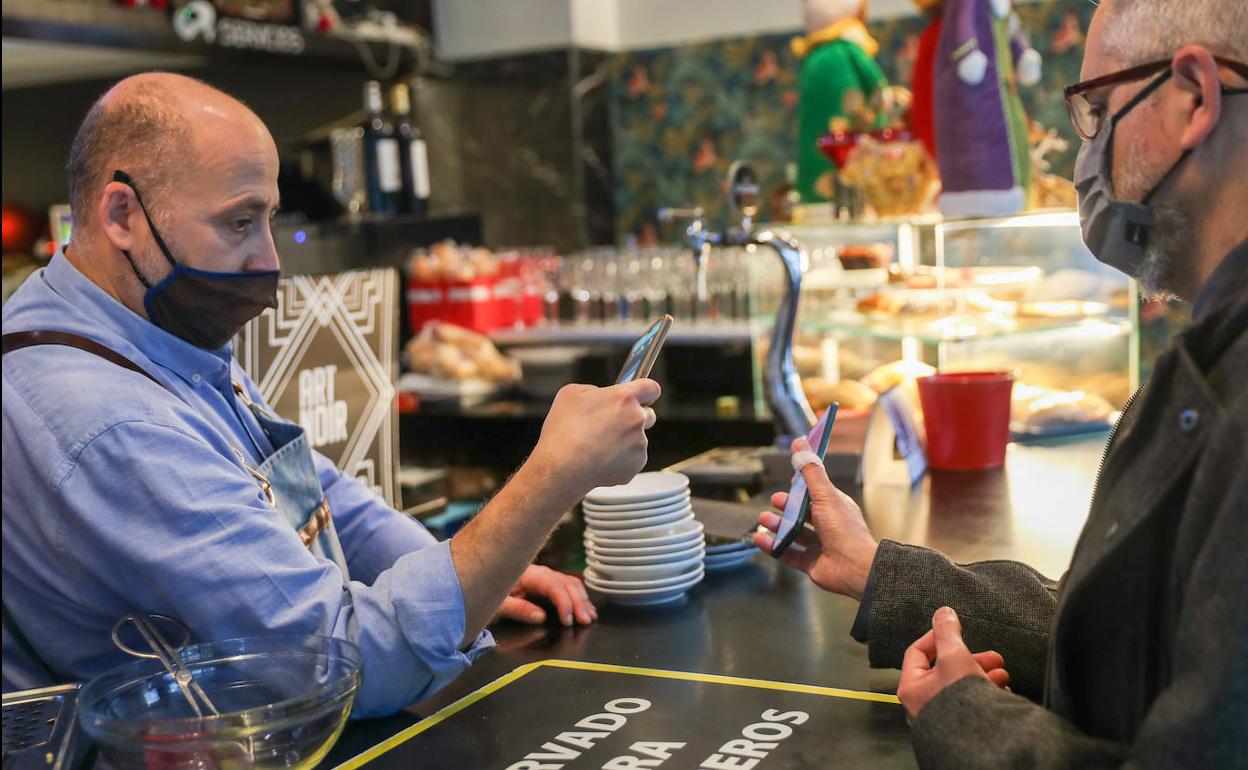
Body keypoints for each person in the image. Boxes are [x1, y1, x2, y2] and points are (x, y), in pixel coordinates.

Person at [0, 73, 661, 718]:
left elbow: (306, 488)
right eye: (238, 224)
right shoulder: (108, 420)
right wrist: (552, 477)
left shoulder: (141, 327)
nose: (268, 260)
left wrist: (470, 565)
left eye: (269, 220)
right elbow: (346, 664)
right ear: (122, 214)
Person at [755, 0, 1247, 766]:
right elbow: (1129, 636)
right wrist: (880, 571)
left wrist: (967, 723)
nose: (1086, 152)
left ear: (1192, 97)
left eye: (1096, 107)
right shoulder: (1217, 348)